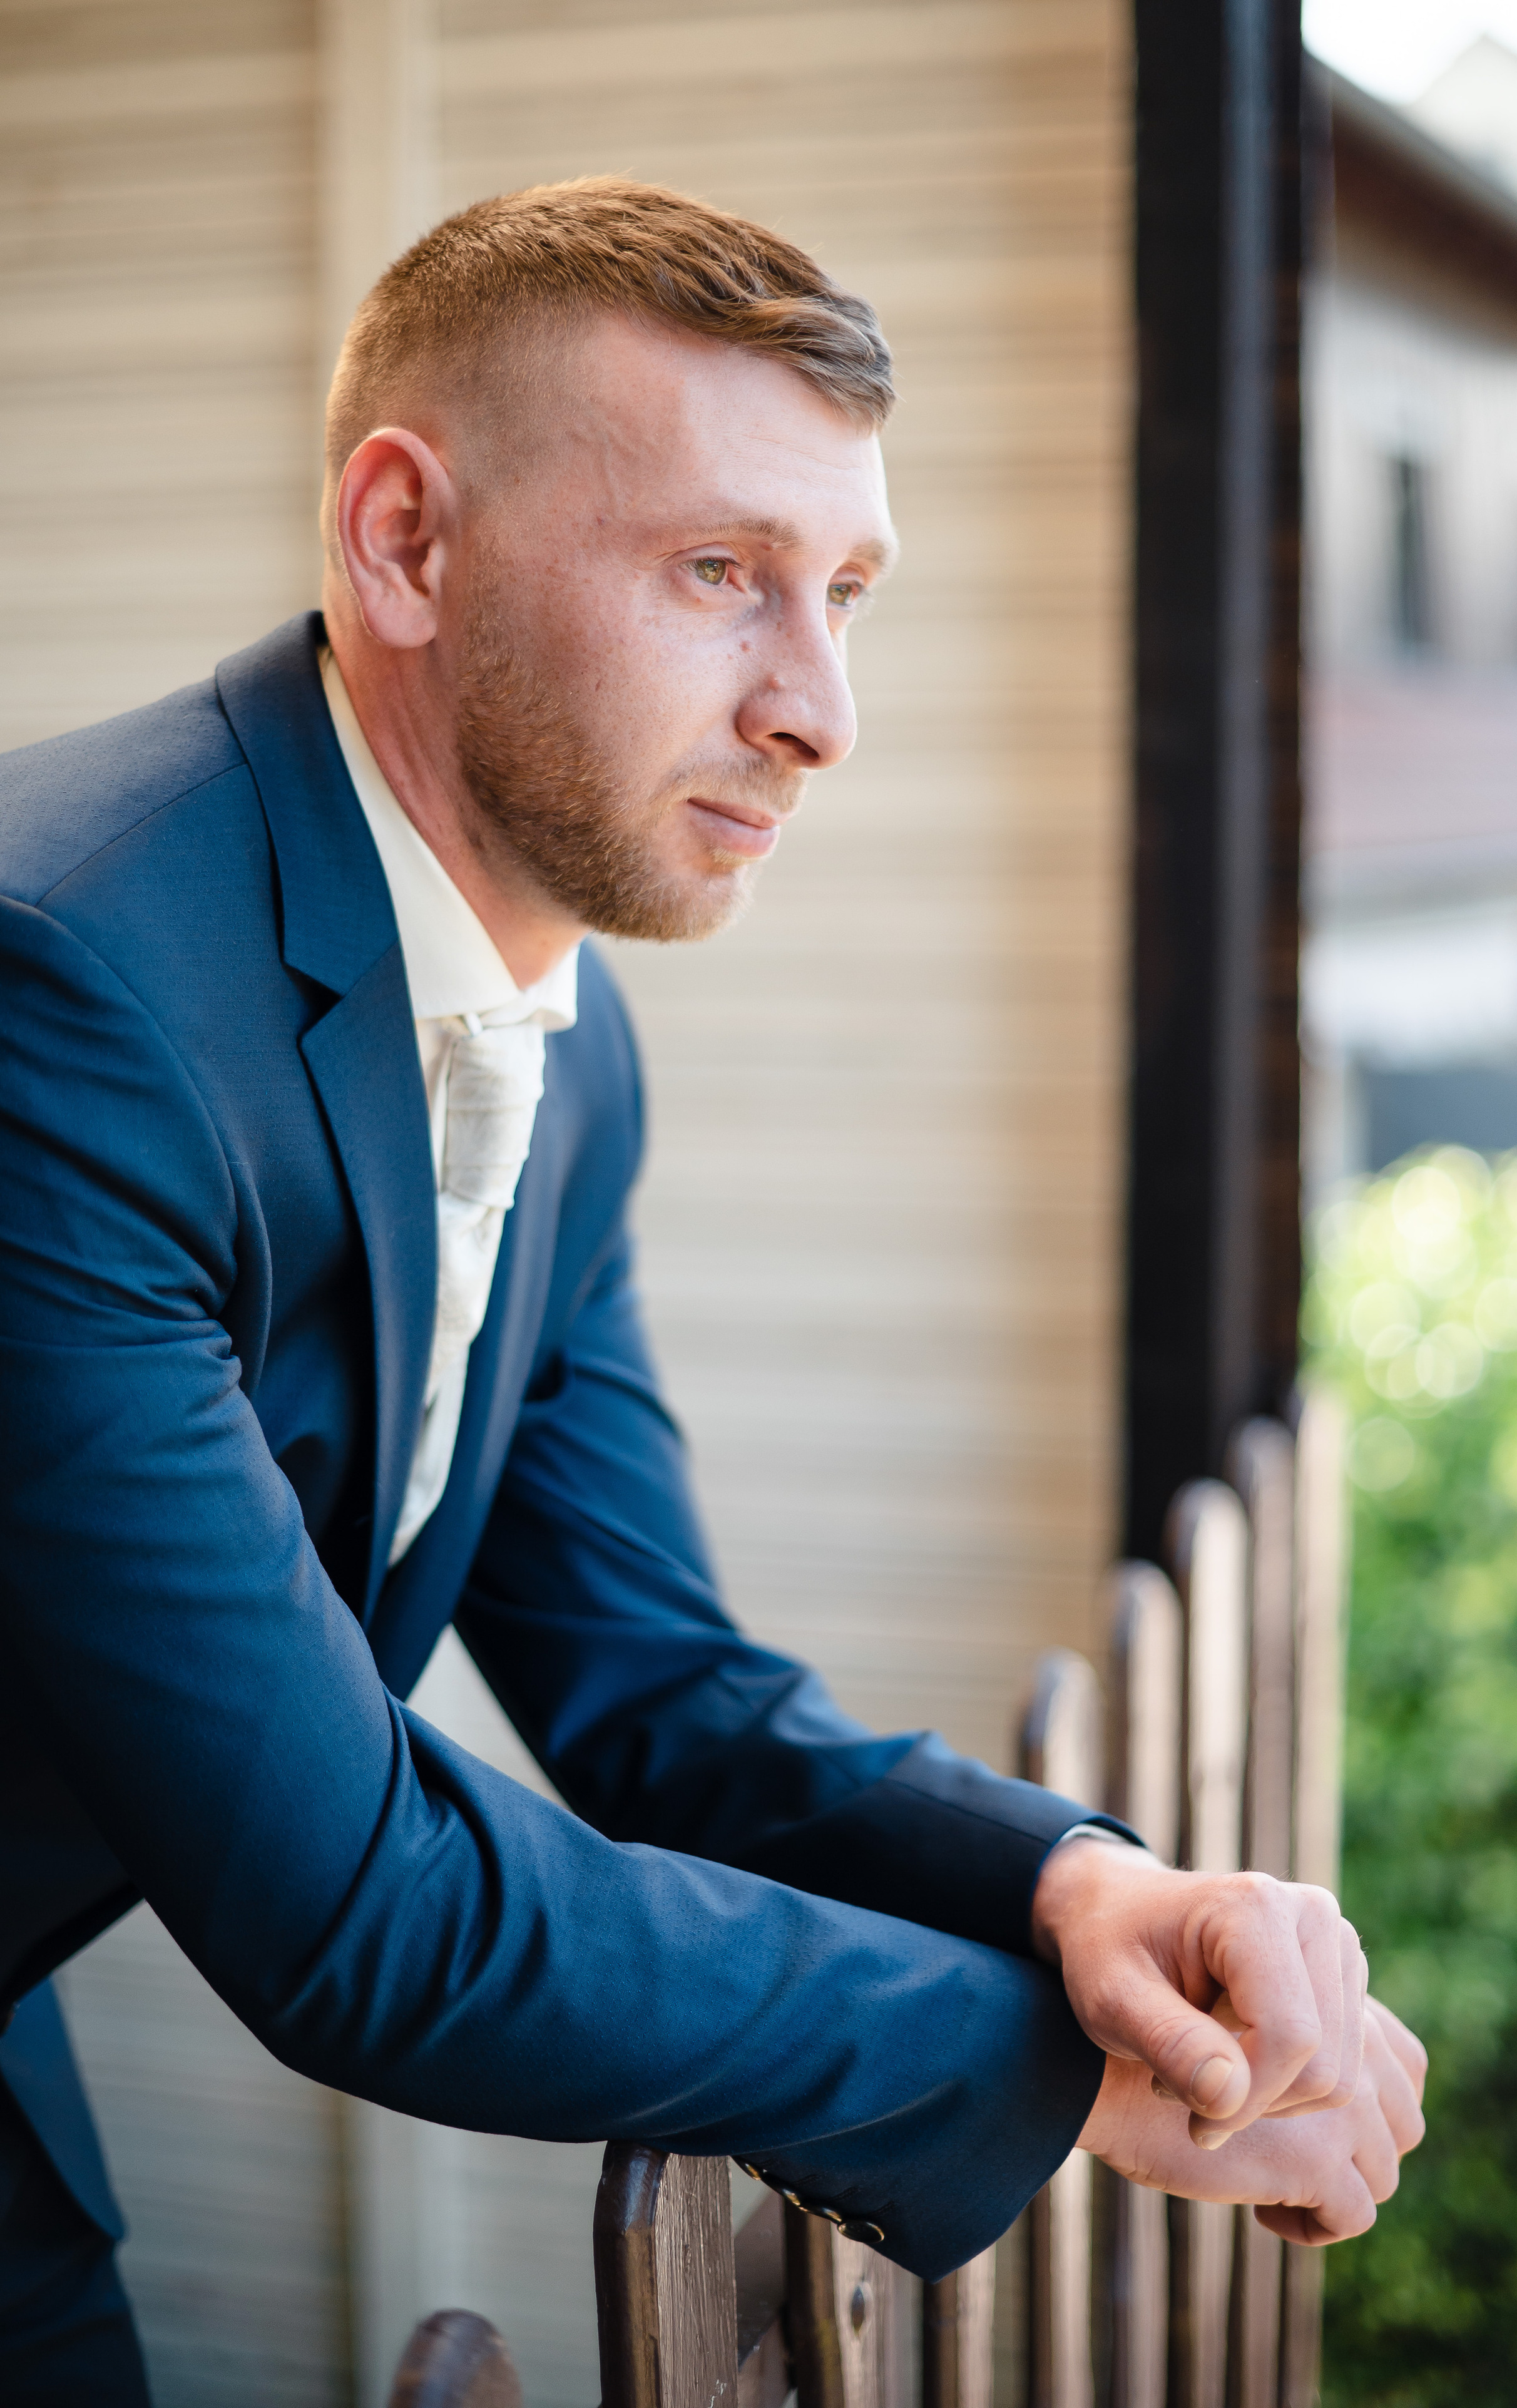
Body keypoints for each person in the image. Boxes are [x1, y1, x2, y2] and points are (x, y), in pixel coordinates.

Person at [0, 178, 1424, 2402]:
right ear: (404, 542)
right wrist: (1040, 2076)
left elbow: (657, 1691)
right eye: (719, 575)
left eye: (845, 591)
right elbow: (356, 1903)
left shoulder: (568, 1053)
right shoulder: (60, 996)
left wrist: (1073, 1898)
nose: (822, 711)